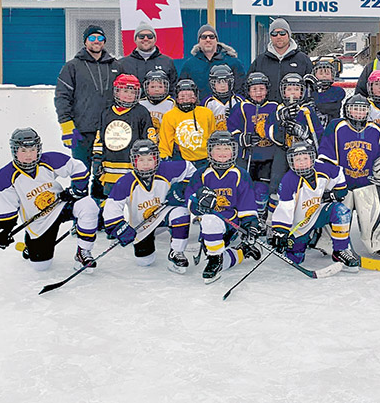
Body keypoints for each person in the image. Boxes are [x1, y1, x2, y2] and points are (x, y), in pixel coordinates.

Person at [0, 128, 99, 272]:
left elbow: (78, 168)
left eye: (32, 149)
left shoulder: (49, 160)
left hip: (61, 205)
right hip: (39, 221)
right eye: (23, 151)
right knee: (41, 266)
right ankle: (29, 247)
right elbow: (8, 208)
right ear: (14, 151)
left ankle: (83, 253)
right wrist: (4, 230)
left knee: (88, 205)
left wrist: (77, 190)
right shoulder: (5, 177)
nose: (29, 155)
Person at [101, 140, 197, 273]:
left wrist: (182, 187)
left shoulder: (166, 170)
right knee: (145, 261)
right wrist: (119, 227)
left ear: (157, 159)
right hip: (142, 226)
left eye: (150, 159)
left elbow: (190, 169)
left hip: (164, 215)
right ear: (134, 161)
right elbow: (112, 208)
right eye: (141, 160)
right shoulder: (126, 181)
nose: (145, 164)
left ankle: (177, 252)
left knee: (181, 212)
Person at [318, 94, 380, 255]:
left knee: (373, 213)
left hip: (366, 183)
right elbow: (326, 154)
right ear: (347, 110)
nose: (359, 112)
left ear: (367, 111)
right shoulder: (336, 126)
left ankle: (377, 242)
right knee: (335, 210)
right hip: (341, 184)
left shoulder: (377, 130)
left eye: (362, 109)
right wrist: (330, 178)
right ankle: (327, 242)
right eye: (355, 109)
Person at [268, 141, 360, 271]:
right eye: (297, 159)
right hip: (298, 226)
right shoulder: (289, 180)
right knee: (295, 259)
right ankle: (302, 244)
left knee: (341, 211)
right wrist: (281, 232)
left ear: (312, 158)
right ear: (291, 162)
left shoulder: (322, 168)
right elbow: (285, 208)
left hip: (317, 214)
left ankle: (340, 251)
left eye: (305, 158)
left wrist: (339, 191)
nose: (302, 162)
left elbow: (338, 173)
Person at [186, 131, 262, 283]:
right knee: (209, 223)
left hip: (232, 224)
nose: (222, 153)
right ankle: (241, 252)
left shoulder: (240, 174)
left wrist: (251, 225)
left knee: (217, 256)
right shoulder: (201, 174)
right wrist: (198, 202)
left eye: (226, 149)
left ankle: (218, 258)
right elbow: (189, 199)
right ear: (209, 151)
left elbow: (246, 203)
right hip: (211, 224)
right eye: (217, 149)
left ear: (233, 151)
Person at [55, 24, 121, 171]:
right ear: (85, 41)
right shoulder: (72, 66)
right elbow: (62, 97)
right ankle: (80, 193)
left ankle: (101, 195)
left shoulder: (116, 66)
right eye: (92, 38)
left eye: (100, 38)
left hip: (110, 130)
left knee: (106, 173)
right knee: (81, 171)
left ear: (104, 41)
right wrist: (66, 126)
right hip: (82, 130)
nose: (96, 41)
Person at [267, 73, 324, 215]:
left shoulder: (306, 111)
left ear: (302, 91)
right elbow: (270, 133)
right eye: (289, 89)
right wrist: (281, 121)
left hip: (303, 154)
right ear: (283, 91)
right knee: (276, 182)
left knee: (306, 182)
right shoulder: (277, 109)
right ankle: (272, 219)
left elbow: (318, 135)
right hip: (283, 151)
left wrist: (304, 134)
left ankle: (306, 214)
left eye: (296, 89)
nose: (292, 92)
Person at [91, 74, 155, 199]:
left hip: (132, 166)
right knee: (110, 200)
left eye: (133, 92)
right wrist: (97, 159)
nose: (129, 95)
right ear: (117, 91)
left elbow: (149, 137)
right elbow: (100, 138)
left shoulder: (141, 112)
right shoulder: (107, 112)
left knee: (134, 199)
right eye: (125, 91)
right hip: (110, 166)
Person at [227, 72, 279, 222]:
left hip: (268, 156)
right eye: (254, 89)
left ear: (267, 90)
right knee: (245, 188)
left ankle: (262, 218)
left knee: (263, 189)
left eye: (261, 89)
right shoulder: (241, 107)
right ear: (248, 91)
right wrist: (242, 138)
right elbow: (232, 128)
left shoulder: (274, 107)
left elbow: (279, 130)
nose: (258, 93)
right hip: (246, 156)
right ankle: (246, 217)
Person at [248, 18, 312, 104]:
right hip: (267, 112)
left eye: (282, 33)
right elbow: (248, 86)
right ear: (270, 36)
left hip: (295, 111)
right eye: (274, 34)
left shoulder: (303, 60)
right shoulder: (260, 61)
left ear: (289, 35)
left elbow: (311, 88)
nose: (278, 37)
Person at [158, 79, 217, 168]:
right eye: (182, 96)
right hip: (182, 159)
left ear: (196, 97)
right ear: (177, 98)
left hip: (205, 159)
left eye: (190, 96)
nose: (186, 99)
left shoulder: (207, 113)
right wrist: (164, 158)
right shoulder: (169, 116)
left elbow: (213, 136)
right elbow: (165, 142)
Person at [179, 24, 245, 99]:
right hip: (199, 108)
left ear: (216, 40)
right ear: (199, 41)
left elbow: (241, 89)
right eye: (204, 37)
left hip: (226, 108)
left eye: (211, 36)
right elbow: (182, 90)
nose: (208, 39)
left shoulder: (233, 62)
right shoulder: (189, 65)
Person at [117, 22, 178, 87]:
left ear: (155, 39)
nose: (145, 39)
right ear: (135, 39)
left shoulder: (167, 62)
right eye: (141, 36)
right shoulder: (122, 63)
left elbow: (173, 88)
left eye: (149, 36)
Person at [202, 65, 243, 131]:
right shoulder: (207, 102)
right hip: (215, 139)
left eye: (226, 81)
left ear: (231, 82)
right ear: (213, 84)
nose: (222, 85)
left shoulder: (239, 100)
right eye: (218, 82)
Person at [309, 56, 346, 128]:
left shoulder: (337, 92)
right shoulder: (310, 91)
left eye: (327, 73)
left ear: (332, 76)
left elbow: (325, 107)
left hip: (331, 128)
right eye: (321, 73)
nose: (324, 76)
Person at [138, 69, 175, 133]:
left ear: (166, 87)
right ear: (146, 88)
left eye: (160, 87)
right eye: (152, 87)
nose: (156, 89)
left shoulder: (171, 104)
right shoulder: (141, 103)